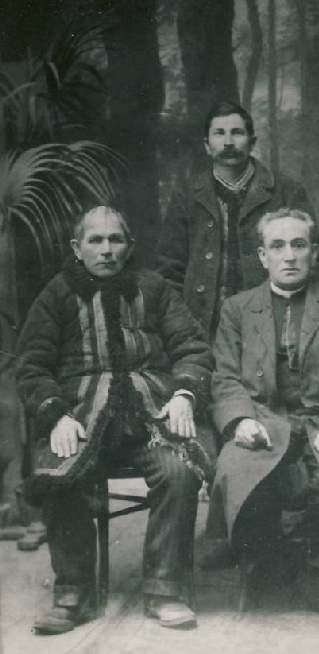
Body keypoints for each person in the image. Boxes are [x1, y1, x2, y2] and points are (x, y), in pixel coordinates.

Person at [16, 206, 214, 634]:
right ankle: (73, 593)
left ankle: (165, 590)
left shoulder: (154, 288)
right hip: (80, 416)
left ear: (130, 246)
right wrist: (55, 414)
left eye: (115, 240)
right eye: (96, 240)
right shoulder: (56, 293)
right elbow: (32, 366)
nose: (106, 250)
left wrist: (184, 395)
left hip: (152, 414)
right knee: (59, 472)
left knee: (179, 471)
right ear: (77, 248)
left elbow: (193, 347)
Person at [206, 208, 319, 616]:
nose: (289, 256)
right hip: (264, 418)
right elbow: (225, 376)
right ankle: (266, 565)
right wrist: (240, 420)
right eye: (278, 246)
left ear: (314, 252)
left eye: (299, 245)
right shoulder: (237, 308)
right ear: (262, 256)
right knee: (236, 466)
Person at [157, 101, 314, 337]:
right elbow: (169, 270)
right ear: (207, 145)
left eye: (237, 132)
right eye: (219, 133)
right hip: (203, 329)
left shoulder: (286, 192)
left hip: (273, 326)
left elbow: (313, 262)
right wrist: (182, 327)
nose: (228, 142)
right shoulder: (186, 195)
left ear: (252, 142)